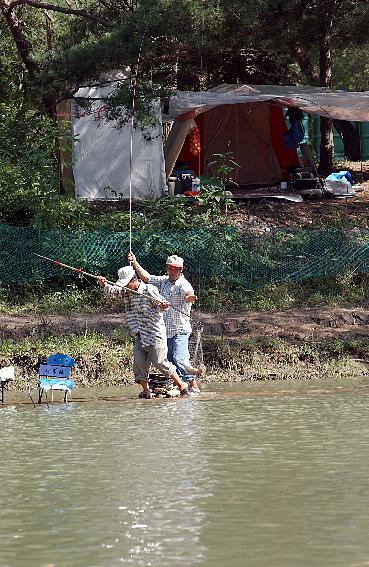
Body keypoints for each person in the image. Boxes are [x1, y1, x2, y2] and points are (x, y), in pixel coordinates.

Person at [97, 265, 190, 399]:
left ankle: (182, 385)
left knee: (160, 362)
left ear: (134, 279)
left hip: (154, 333)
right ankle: (146, 391)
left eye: (127, 283)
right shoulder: (126, 291)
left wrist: (163, 305)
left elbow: (162, 304)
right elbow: (112, 293)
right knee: (139, 363)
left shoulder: (149, 289)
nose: (125, 287)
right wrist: (103, 284)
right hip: (139, 333)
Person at [128, 252, 202, 394]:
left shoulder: (183, 284)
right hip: (163, 330)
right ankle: (181, 386)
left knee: (179, 358)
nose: (173, 271)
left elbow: (188, 293)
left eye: (176, 269)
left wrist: (190, 297)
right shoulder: (163, 281)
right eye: (171, 268)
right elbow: (147, 278)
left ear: (181, 270)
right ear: (167, 268)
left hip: (180, 329)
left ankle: (193, 386)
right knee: (169, 361)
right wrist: (135, 263)